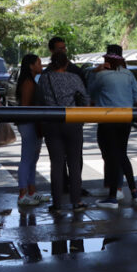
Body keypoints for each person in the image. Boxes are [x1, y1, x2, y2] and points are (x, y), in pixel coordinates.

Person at [87, 49, 137, 208]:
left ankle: (112, 197)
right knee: (122, 154)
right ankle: (135, 192)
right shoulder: (128, 74)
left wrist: (94, 72)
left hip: (108, 120)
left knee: (111, 157)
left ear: (108, 63)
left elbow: (90, 92)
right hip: (126, 119)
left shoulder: (101, 76)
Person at [38, 50, 90, 212]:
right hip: (73, 122)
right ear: (66, 63)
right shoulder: (74, 78)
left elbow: (39, 100)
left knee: (56, 164)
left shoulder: (44, 79)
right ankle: (77, 201)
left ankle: (57, 203)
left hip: (51, 123)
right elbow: (86, 100)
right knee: (74, 163)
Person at [14, 54, 47, 206]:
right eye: (39, 63)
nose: (41, 66)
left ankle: (32, 191)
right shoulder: (28, 83)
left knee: (33, 159)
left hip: (32, 124)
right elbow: (26, 107)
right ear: (31, 66)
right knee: (27, 158)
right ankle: (22, 193)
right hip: (29, 124)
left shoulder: (31, 81)